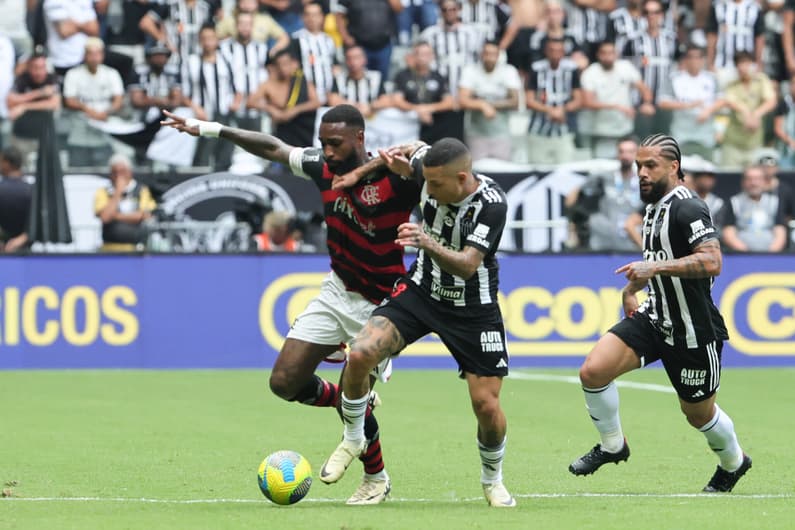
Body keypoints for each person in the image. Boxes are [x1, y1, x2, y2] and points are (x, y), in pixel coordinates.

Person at [161, 104, 423, 505]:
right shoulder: (322, 166)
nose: (328, 151)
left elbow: (437, 160)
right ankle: (350, 398)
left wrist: (411, 161)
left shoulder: (395, 176)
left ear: (360, 138)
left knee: (354, 402)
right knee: (284, 383)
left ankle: (376, 479)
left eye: (335, 143)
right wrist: (210, 128)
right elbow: (273, 147)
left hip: (382, 307)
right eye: (323, 143)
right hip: (337, 291)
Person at [318, 138, 516, 508]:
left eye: (436, 185)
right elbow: (406, 150)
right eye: (426, 181)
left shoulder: (491, 205)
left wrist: (426, 241)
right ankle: (354, 436)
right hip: (421, 292)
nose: (427, 189)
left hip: (474, 306)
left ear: (461, 178)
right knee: (360, 353)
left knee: (486, 406)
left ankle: (493, 480)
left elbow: (469, 264)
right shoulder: (429, 168)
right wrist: (361, 173)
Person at [568, 133, 752, 494]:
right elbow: (658, 263)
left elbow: (713, 261)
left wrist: (654, 270)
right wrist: (635, 287)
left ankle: (734, 462)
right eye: (638, 166)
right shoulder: (653, 207)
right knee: (593, 371)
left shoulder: (688, 207)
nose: (641, 173)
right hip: (656, 317)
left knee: (698, 414)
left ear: (674, 166)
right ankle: (612, 445)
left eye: (650, 165)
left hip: (692, 330)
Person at [62, 37, 125, 168]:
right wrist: (89, 111)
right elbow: (69, 100)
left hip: (104, 134)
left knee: (104, 171)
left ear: (102, 55)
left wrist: (106, 112)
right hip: (79, 134)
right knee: (77, 173)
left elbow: (118, 100)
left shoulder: (111, 73)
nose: (94, 57)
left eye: (97, 53)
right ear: (84, 55)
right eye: (90, 53)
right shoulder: (73, 74)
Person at [458, 40, 521, 162]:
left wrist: (487, 105)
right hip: (475, 133)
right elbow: (462, 100)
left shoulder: (508, 71)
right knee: (477, 173)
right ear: (481, 54)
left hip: (501, 133)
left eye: (493, 54)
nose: (490, 57)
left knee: (502, 172)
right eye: (486, 53)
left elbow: (515, 102)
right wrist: (482, 105)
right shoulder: (471, 71)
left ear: (498, 55)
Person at [719, 51, 778, 169]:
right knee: (729, 179)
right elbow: (730, 102)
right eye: (739, 64)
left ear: (752, 64)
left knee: (754, 179)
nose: (743, 67)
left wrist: (756, 114)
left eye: (746, 63)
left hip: (754, 143)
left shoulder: (761, 80)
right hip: (733, 143)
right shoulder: (731, 85)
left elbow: (771, 101)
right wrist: (746, 113)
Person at [6, 49, 61, 167]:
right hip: (22, 135)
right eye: (35, 67)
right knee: (21, 166)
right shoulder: (22, 80)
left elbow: (53, 104)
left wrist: (24, 106)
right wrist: (39, 93)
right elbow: (10, 101)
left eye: (42, 67)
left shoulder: (51, 79)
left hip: (45, 135)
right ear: (29, 68)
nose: (39, 72)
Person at [94, 153, 156, 252]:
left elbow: (144, 215)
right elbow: (105, 217)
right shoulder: (104, 191)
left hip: (136, 249)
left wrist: (115, 216)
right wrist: (118, 191)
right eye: (115, 172)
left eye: (122, 172)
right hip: (109, 249)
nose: (118, 176)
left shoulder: (141, 190)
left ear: (129, 172)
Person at [720, 164, 788, 253]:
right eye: (749, 179)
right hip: (742, 256)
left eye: (757, 179)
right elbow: (728, 233)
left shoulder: (774, 201)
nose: (753, 183)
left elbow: (780, 231)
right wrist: (747, 253)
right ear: (743, 182)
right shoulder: (734, 202)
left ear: (764, 182)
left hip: (771, 255)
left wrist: (770, 254)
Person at [0, 146, 32, 253]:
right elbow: (37, 223)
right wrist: (21, 239)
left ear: (7, 163)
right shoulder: (31, 190)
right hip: (26, 253)